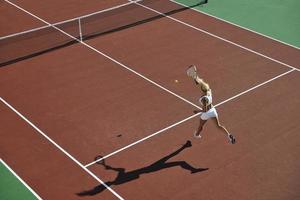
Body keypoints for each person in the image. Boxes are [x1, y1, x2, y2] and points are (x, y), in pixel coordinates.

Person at [191, 70, 236, 144]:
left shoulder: (204, 99)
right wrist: (196, 77)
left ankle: (197, 134)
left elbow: (205, 110)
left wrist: (197, 111)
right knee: (218, 125)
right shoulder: (209, 90)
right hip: (213, 110)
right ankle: (229, 135)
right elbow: (202, 83)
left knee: (201, 125)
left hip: (206, 113)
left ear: (202, 89)